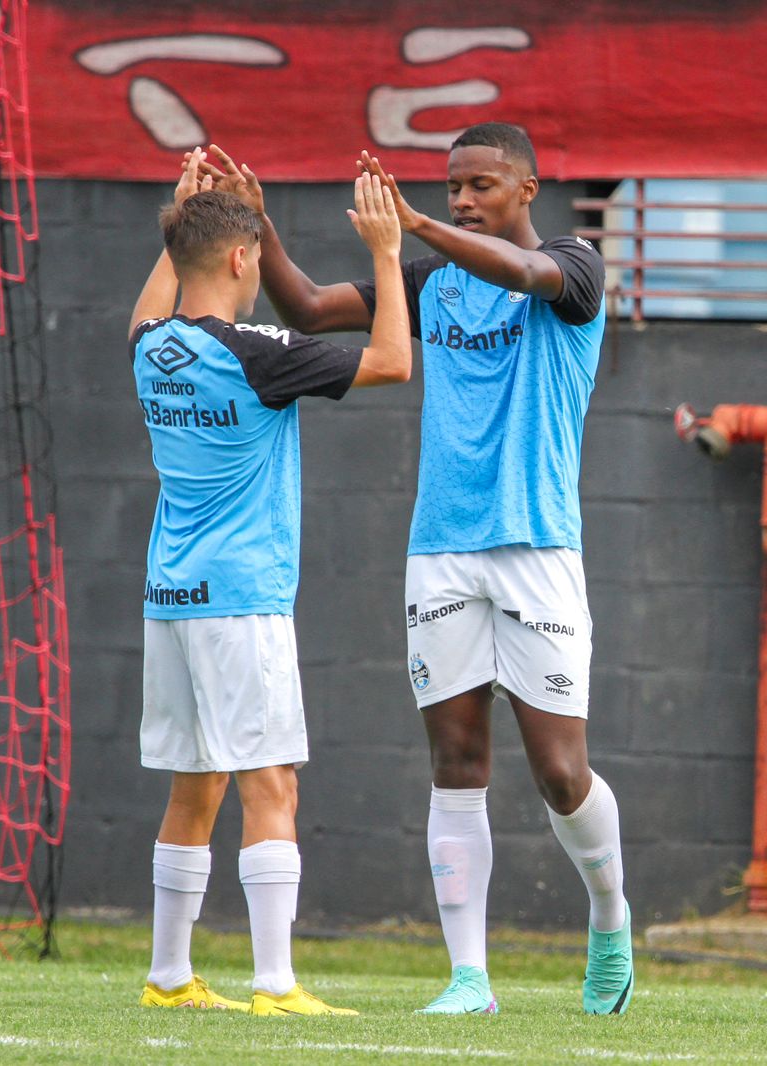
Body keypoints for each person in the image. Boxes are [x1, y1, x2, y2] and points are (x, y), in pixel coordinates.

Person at [211, 123, 632, 1016]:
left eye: (481, 184)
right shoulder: (430, 280)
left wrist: (414, 227)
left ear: (527, 188)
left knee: (560, 772)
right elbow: (310, 311)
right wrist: (267, 229)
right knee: (456, 759)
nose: (464, 198)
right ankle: (468, 980)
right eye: (452, 188)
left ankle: (608, 916)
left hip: (537, 549)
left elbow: (523, 275)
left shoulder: (576, 266)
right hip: (441, 550)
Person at [129, 149, 410, 1017]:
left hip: (169, 598)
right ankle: (276, 985)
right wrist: (388, 255)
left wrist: (178, 222)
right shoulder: (258, 353)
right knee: (271, 783)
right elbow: (395, 361)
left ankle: (169, 978)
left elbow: (150, 304)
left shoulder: (151, 348)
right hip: (242, 599)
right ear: (245, 260)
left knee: (195, 786)